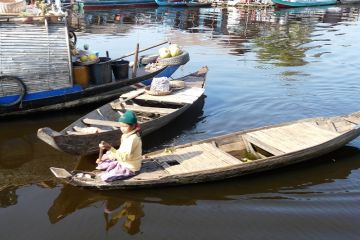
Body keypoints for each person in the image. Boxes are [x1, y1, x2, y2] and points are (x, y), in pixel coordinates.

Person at [96, 110, 142, 182]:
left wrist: (109, 148)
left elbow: (124, 157)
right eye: (121, 126)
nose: (122, 128)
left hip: (130, 167)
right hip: (123, 161)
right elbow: (121, 151)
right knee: (104, 158)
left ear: (133, 126)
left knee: (105, 178)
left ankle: (128, 172)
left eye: (125, 126)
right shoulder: (125, 135)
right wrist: (105, 157)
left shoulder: (133, 139)